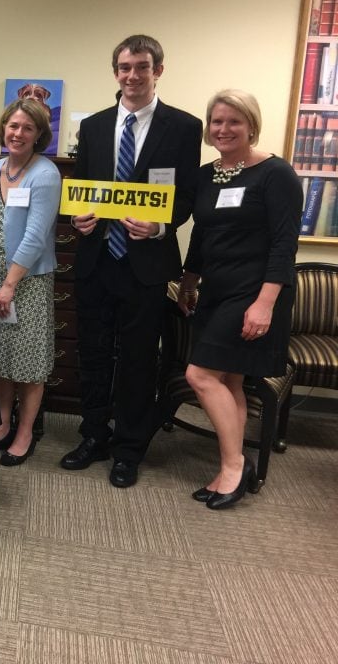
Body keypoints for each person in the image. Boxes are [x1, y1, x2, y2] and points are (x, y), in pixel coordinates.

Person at [64, 34, 202, 488]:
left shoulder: (183, 127)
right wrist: (80, 219)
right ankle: (93, 436)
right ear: (116, 72)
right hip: (97, 259)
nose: (133, 76)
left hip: (147, 264)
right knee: (95, 353)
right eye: (124, 68)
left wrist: (161, 227)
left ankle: (128, 449)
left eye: (142, 67)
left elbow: (184, 198)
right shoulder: (96, 126)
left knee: (140, 359)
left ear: (158, 70)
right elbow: (83, 188)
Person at [178, 90, 301, 510]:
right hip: (216, 289)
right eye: (217, 122)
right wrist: (190, 283)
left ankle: (235, 465)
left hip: (255, 291)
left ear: (251, 124)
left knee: (200, 376)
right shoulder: (205, 175)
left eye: (234, 121)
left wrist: (265, 303)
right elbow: (201, 234)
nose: (224, 129)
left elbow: (285, 245)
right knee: (228, 379)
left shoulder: (275, 174)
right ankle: (228, 465)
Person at [0, 99, 61, 466]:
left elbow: (35, 235)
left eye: (28, 128)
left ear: (39, 134)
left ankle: (25, 431)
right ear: (3, 128)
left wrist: (10, 284)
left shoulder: (45, 173)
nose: (19, 133)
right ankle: (1, 422)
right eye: (13, 126)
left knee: (27, 361)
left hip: (26, 283)